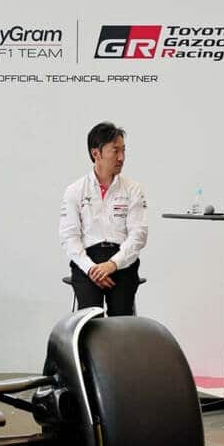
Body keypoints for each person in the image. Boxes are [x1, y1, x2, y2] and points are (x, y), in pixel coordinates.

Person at [59, 122, 147, 314]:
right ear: (96, 153)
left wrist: (113, 264)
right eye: (115, 151)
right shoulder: (75, 190)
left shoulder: (133, 189)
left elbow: (138, 235)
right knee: (90, 320)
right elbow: (69, 237)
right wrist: (91, 268)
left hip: (123, 261)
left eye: (123, 150)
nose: (121, 157)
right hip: (87, 262)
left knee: (122, 323)